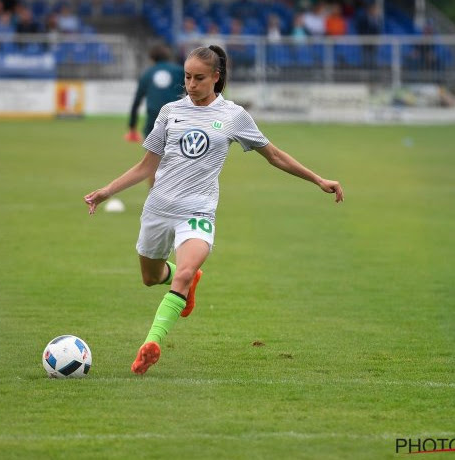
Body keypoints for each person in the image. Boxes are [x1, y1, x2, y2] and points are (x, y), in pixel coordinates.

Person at [85, 45, 344, 375]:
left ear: (216, 78)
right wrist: (107, 191)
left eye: (199, 78)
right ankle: (187, 284)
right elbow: (146, 166)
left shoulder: (233, 116)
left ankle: (151, 343)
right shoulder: (169, 112)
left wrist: (318, 179)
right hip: (158, 210)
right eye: (187, 77)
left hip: (198, 211)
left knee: (183, 271)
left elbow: (274, 155)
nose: (191, 85)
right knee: (151, 278)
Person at [126, 44, 184, 146]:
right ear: (168, 57)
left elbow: (137, 101)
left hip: (154, 120)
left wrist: (132, 126)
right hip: (176, 119)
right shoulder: (180, 71)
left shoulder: (147, 73)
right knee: (176, 156)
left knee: (152, 158)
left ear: (152, 59)